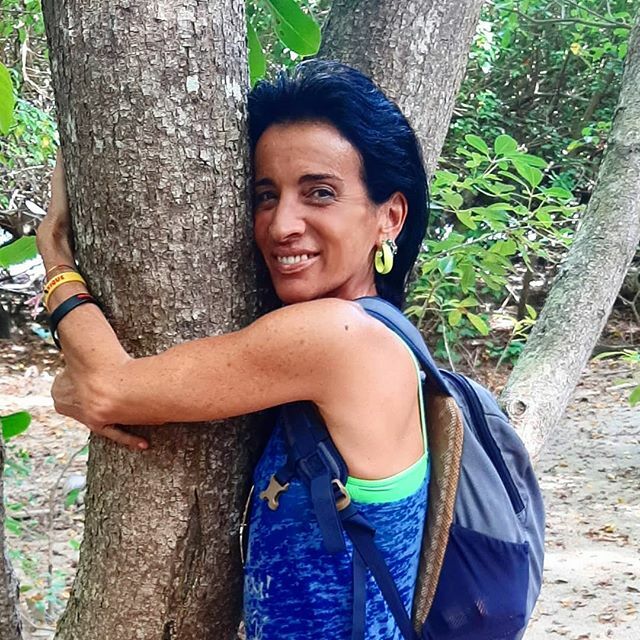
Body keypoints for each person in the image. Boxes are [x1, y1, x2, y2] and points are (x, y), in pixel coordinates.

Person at [37, 60, 430, 640]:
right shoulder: (378, 333)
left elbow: (105, 387)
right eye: (266, 195)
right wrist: (78, 384)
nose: (281, 224)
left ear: (389, 217)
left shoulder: (340, 337)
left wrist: (54, 254)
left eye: (320, 193)